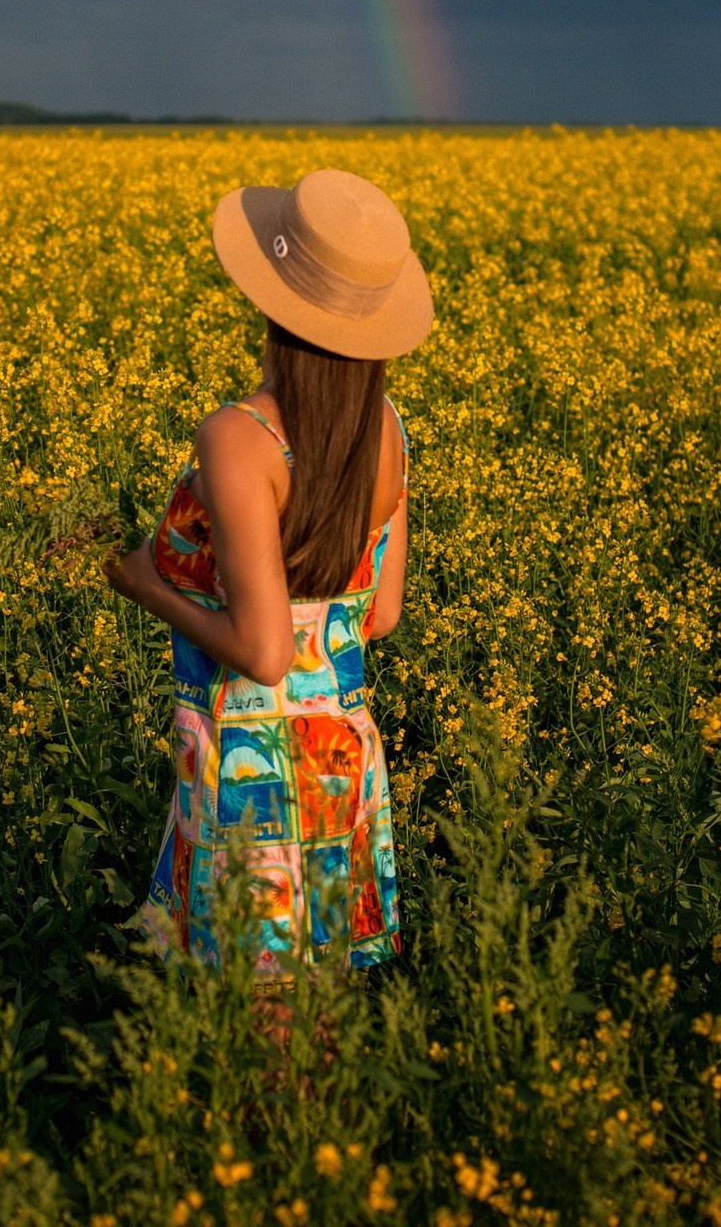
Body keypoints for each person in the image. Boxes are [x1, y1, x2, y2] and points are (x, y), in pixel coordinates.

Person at [104, 166, 433, 986]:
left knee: (263, 1025)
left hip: (250, 760)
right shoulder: (387, 429)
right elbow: (379, 614)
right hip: (342, 756)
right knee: (314, 1003)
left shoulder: (240, 437)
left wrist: (145, 583)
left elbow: (265, 650)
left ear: (272, 301)